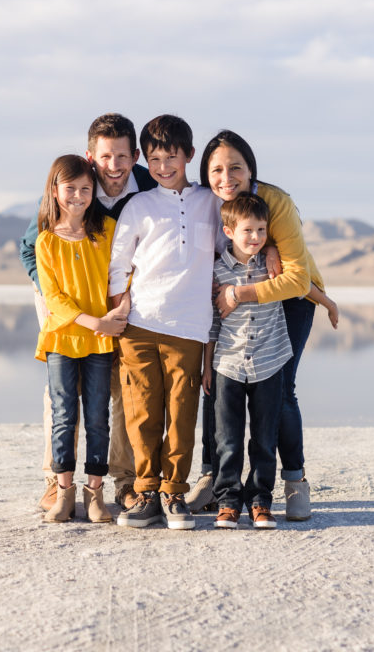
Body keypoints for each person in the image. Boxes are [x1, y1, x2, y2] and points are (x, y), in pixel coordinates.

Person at [189, 129, 339, 522]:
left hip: (289, 297)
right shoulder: (207, 200)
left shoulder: (276, 202)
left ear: (251, 169)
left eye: (235, 167)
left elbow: (296, 280)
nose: (226, 177)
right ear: (205, 174)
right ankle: (214, 480)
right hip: (228, 296)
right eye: (216, 169)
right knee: (218, 391)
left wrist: (240, 292)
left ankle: (293, 483)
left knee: (281, 391)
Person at [19, 114, 156, 513]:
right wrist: (60, 304)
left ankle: (123, 481)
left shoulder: (149, 187)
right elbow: (32, 248)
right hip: (66, 310)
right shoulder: (73, 185)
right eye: (105, 157)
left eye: (122, 156)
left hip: (123, 308)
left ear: (134, 156)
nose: (114, 166)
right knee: (61, 397)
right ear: (90, 156)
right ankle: (54, 480)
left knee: (122, 392)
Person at [108, 114, 223, 530]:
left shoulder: (211, 201)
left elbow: (230, 249)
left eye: (170, 157)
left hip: (190, 327)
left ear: (189, 155)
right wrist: (120, 309)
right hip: (140, 326)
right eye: (154, 159)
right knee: (142, 414)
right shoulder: (139, 206)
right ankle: (146, 492)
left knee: (181, 413)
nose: (162, 167)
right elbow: (119, 263)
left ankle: (174, 493)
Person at [34, 155, 128, 523]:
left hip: (99, 345)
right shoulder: (46, 241)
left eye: (85, 189)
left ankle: (95, 496)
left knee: (97, 418)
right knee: (63, 416)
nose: (77, 196)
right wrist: (96, 322)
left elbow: (123, 274)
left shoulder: (106, 231)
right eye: (69, 188)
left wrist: (118, 313)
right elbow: (53, 297)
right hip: (62, 340)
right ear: (55, 191)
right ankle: (62, 494)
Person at [202, 193, 293, 530]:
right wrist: (207, 364)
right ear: (228, 231)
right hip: (227, 363)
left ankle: (260, 501)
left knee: (264, 436)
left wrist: (327, 301)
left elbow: (298, 283)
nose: (255, 237)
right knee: (226, 438)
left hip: (270, 362)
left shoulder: (276, 266)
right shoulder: (216, 270)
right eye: (248, 231)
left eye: (261, 230)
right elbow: (212, 320)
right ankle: (227, 502)